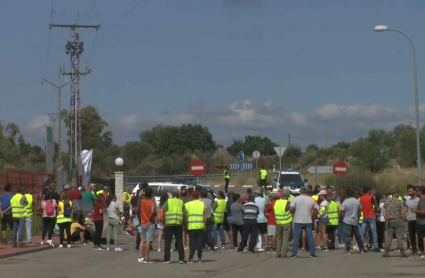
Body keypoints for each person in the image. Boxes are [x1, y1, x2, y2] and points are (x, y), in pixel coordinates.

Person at [290, 186, 318, 258]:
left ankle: (294, 253)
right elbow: (316, 209)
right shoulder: (311, 200)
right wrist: (313, 215)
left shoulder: (296, 199)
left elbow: (291, 208)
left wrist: (294, 212)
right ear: (306, 192)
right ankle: (312, 253)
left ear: (300, 191)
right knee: (310, 237)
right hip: (308, 221)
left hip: (298, 220)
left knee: (296, 237)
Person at [163, 188, 186, 264]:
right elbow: (184, 212)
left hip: (169, 223)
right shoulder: (181, 202)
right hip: (178, 223)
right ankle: (181, 258)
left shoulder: (168, 201)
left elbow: (164, 211)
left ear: (172, 194)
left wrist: (164, 222)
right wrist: (183, 221)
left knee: (167, 242)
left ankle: (167, 259)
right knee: (179, 241)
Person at [382, 188, 408, 257]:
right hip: (398, 221)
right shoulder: (400, 202)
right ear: (395, 194)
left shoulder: (387, 202)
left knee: (389, 237)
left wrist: (386, 220)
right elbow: (403, 212)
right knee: (399, 237)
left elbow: (384, 212)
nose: (399, 194)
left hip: (390, 221)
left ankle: (387, 252)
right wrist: (404, 220)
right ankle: (402, 252)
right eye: (398, 193)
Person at [340, 189, 366, 255]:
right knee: (357, 235)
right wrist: (358, 217)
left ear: (347, 195)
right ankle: (361, 249)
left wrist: (342, 218)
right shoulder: (357, 201)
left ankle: (348, 249)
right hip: (355, 220)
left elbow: (342, 212)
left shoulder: (345, 202)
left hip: (347, 220)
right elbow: (360, 210)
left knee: (348, 235)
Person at [185, 191, 207, 263]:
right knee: (199, 243)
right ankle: (200, 258)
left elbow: (185, 216)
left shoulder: (187, 204)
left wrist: (185, 225)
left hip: (191, 226)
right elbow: (205, 216)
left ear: (191, 196)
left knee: (192, 243)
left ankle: (191, 258)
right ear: (198, 196)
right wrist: (205, 224)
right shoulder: (202, 204)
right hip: (200, 226)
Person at [359, 186, 379, 252]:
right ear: (368, 191)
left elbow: (360, 208)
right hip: (371, 216)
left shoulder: (361, 198)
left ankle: (362, 246)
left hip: (364, 217)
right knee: (373, 232)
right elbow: (375, 206)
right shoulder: (371, 197)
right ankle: (375, 246)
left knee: (363, 232)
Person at [138, 188, 156, 263]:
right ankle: (146, 257)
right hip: (150, 223)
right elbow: (152, 212)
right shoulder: (152, 202)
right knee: (149, 241)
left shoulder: (142, 201)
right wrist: (149, 219)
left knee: (144, 241)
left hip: (143, 222)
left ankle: (143, 256)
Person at [405, 185, 423, 255]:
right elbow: (406, 210)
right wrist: (405, 218)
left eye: (410, 191)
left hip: (417, 220)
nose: (409, 192)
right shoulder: (407, 201)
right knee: (411, 235)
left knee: (419, 235)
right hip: (410, 220)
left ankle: (421, 248)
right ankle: (414, 249)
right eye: (408, 191)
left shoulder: (418, 200)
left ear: (414, 191)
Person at [274, 189, 292, 258]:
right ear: (286, 196)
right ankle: (283, 253)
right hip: (286, 222)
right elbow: (290, 210)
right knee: (285, 239)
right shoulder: (287, 202)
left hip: (278, 222)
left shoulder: (277, 202)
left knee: (279, 238)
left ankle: (278, 253)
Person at [411, 186, 425, 258]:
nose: (416, 192)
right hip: (420, 222)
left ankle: (423, 252)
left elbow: (423, 211)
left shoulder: (423, 200)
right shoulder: (421, 199)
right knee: (421, 237)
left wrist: (415, 211)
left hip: (422, 222)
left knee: (423, 237)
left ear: (421, 191)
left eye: (417, 191)